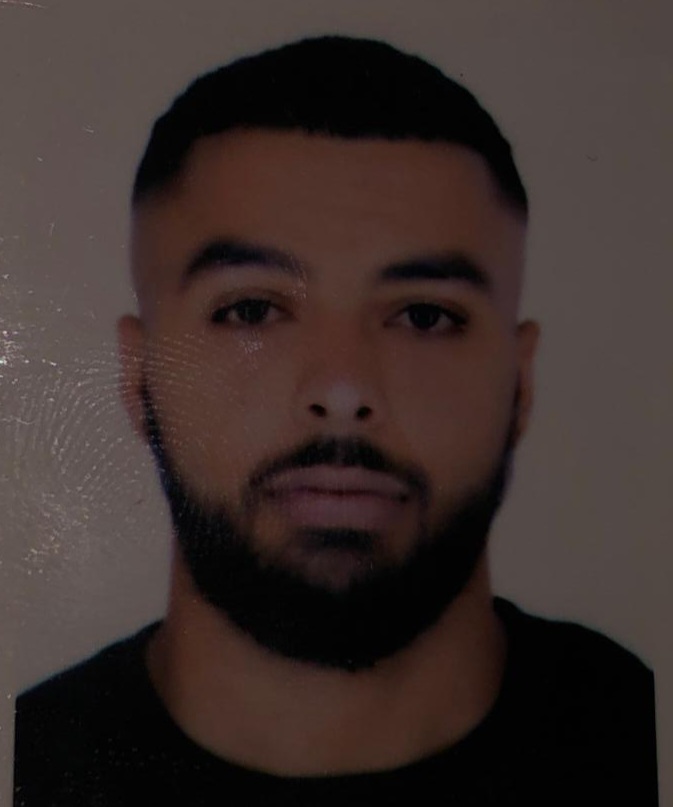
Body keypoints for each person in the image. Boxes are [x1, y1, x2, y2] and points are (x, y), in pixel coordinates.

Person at [13, 35, 657, 806]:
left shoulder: (643, 740)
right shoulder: (31, 765)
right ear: (138, 374)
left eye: (423, 316)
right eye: (252, 310)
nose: (344, 389)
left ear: (518, 381)